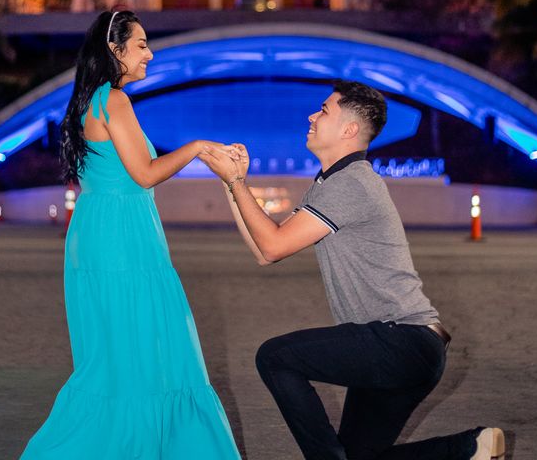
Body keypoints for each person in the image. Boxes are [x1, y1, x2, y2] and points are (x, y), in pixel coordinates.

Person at [200, 80, 505, 460]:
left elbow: (272, 245)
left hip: (400, 341)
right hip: (406, 345)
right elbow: (266, 251)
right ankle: (468, 448)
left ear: (349, 130)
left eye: (323, 110)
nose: (312, 115)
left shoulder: (351, 184)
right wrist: (235, 185)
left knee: (274, 357)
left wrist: (235, 181)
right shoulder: (332, 184)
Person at [21, 10, 241, 460]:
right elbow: (144, 174)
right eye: (141, 45)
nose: (151, 53)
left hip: (102, 236)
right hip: (123, 243)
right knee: (153, 352)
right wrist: (198, 147)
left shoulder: (89, 98)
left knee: (117, 363)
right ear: (115, 49)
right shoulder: (113, 100)